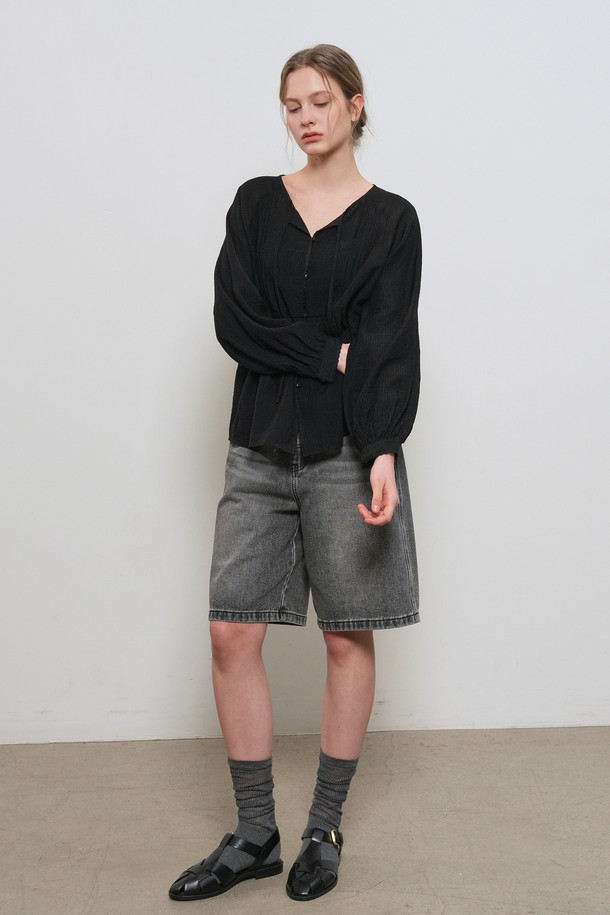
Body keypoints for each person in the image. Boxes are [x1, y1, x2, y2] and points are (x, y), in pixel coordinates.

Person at [169, 43, 422, 903]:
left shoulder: (392, 222)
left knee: (347, 633)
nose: (305, 117)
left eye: (319, 100)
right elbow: (235, 321)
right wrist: (329, 353)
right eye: (291, 104)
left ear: (355, 104)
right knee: (231, 631)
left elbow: (389, 346)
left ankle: (323, 828)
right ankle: (255, 834)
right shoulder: (255, 205)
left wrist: (382, 447)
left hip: (351, 452)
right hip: (261, 445)